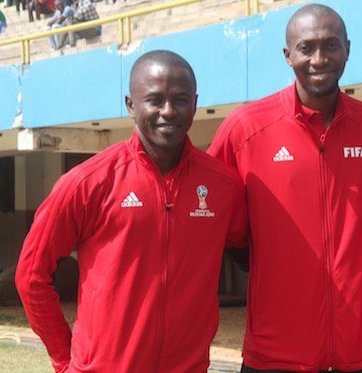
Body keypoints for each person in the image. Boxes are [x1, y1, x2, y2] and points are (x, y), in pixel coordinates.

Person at [16, 50, 248, 373]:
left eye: (180, 99)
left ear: (195, 103)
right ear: (130, 105)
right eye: (154, 99)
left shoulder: (223, 186)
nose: (168, 111)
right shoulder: (87, 182)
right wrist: (63, 356)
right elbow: (30, 275)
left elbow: (253, 252)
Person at [208, 4, 362, 372]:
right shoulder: (245, 128)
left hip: (361, 351)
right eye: (306, 47)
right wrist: (266, 259)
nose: (319, 58)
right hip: (276, 353)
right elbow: (212, 209)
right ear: (287, 55)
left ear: (348, 49)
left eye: (330, 45)